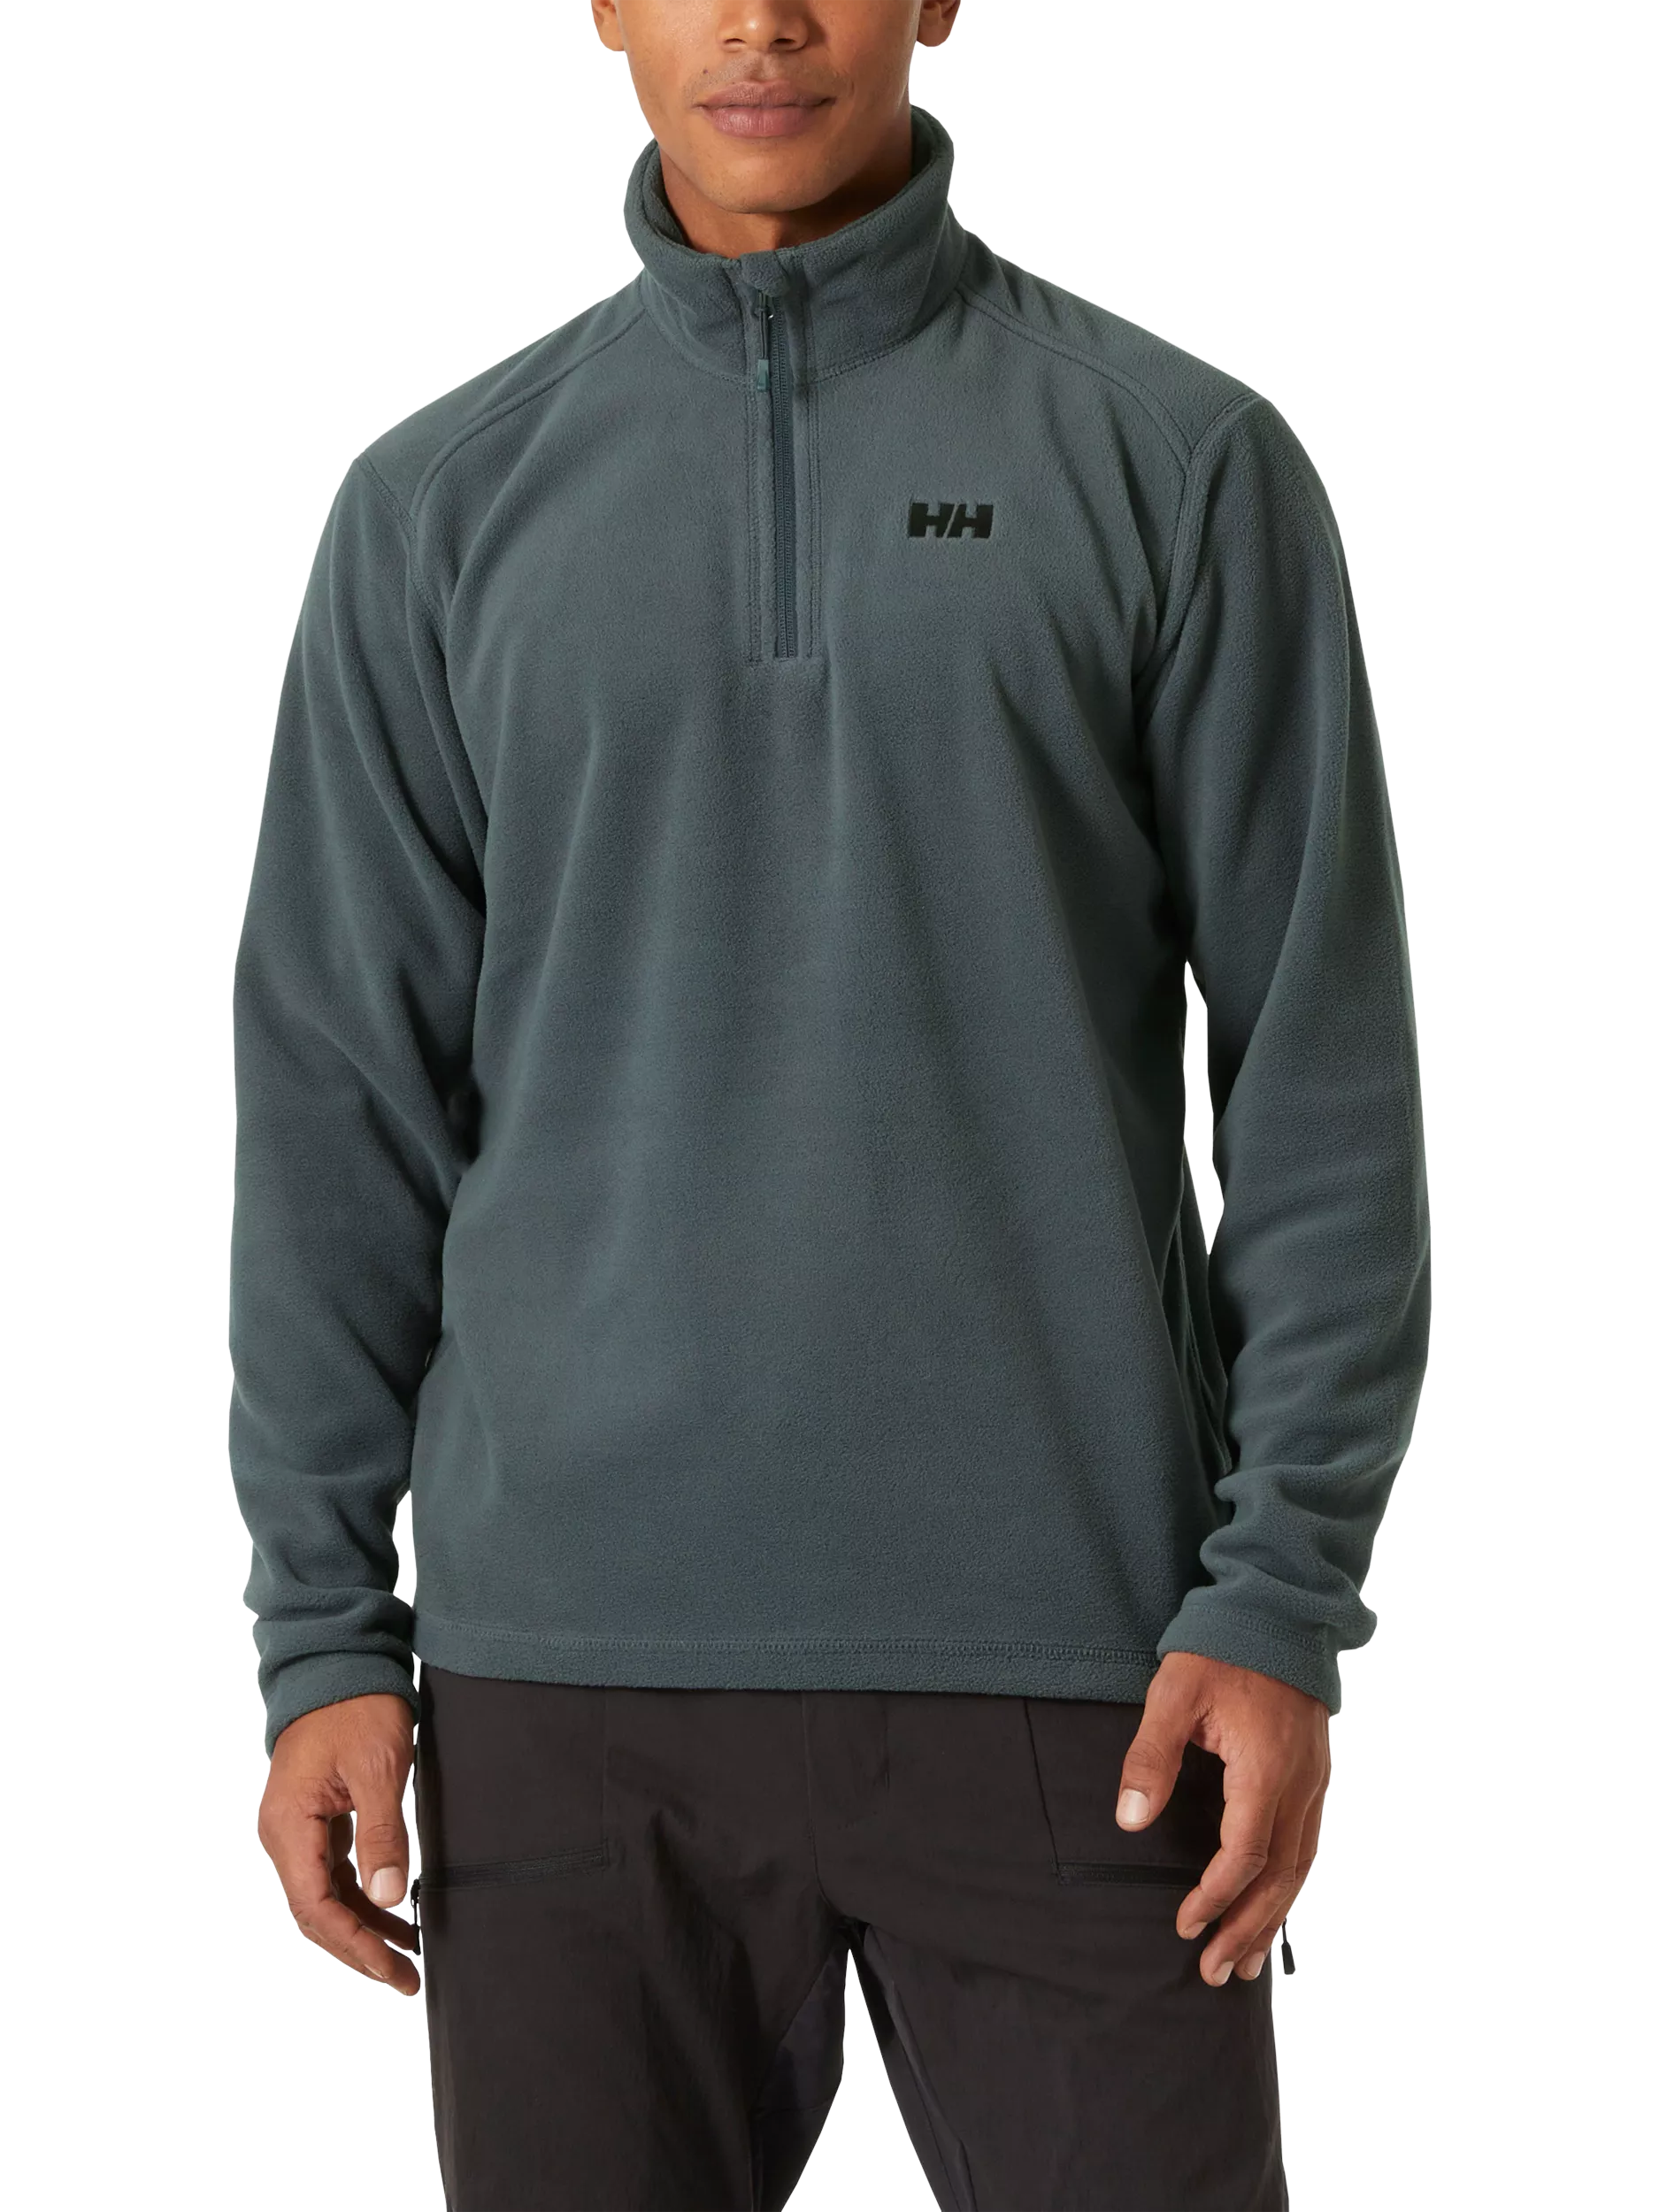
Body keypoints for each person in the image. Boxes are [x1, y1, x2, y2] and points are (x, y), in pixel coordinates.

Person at [229, 3, 1431, 2204]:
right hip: (566, 1677)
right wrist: (322, 1627)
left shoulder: (1175, 460)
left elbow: (1324, 1076)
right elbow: (336, 1104)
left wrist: (1279, 1598)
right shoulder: (437, 509)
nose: (762, 18)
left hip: (1088, 1669)